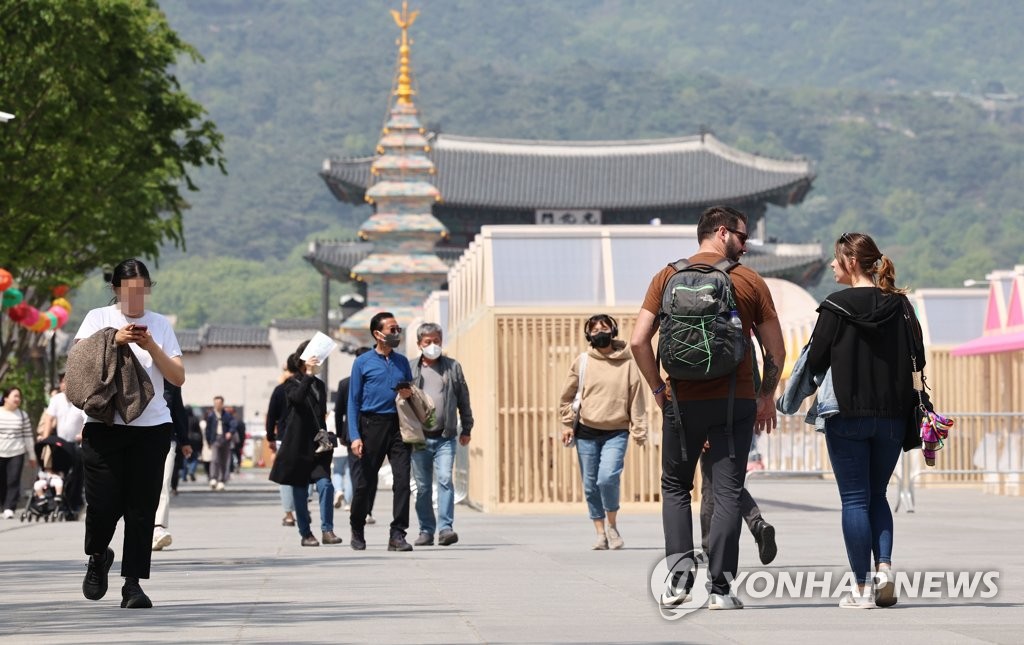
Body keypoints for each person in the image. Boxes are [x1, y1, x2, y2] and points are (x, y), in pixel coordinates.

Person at [630, 206, 786, 610]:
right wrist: (766, 395)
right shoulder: (748, 281)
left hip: (682, 402)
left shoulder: (665, 277)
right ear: (721, 233)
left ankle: (679, 582)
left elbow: (637, 341)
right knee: (729, 490)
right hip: (735, 402)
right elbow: (776, 350)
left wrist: (657, 388)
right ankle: (720, 589)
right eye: (742, 237)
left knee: (676, 488)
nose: (746, 246)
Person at [805, 232, 920, 609]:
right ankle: (884, 568)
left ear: (851, 262)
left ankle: (859, 588)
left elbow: (816, 360)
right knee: (878, 495)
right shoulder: (901, 307)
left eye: (836, 260)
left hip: (848, 415)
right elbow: (919, 356)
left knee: (854, 500)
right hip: (892, 417)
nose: (832, 266)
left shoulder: (836, 306)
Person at [73, 258, 184, 609]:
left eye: (142, 291)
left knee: (141, 509)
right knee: (103, 505)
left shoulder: (160, 325)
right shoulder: (97, 319)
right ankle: (98, 555)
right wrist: (113, 340)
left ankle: (132, 584)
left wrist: (151, 346)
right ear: (116, 290)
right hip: (104, 428)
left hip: (151, 428)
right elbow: (77, 362)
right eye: (128, 292)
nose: (136, 299)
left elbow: (177, 377)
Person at [559, 315, 646, 550]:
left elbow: (637, 398)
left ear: (613, 331)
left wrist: (639, 430)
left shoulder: (627, 362)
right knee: (590, 485)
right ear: (588, 335)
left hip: (616, 431)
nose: (599, 332)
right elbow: (566, 397)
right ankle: (600, 533)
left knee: (607, 478)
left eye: (604, 327)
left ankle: (612, 526)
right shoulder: (582, 361)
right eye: (595, 329)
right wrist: (568, 424)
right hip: (586, 431)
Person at [347, 312, 415, 552]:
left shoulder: (403, 362)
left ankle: (397, 534)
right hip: (370, 425)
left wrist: (409, 394)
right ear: (378, 334)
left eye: (398, 329)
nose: (396, 333)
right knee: (365, 482)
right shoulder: (362, 362)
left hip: (398, 426)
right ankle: (357, 527)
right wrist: (355, 436)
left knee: (403, 481)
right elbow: (353, 401)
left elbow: (411, 394)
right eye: (392, 329)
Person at [269, 341, 341, 547]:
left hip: (318, 447)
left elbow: (320, 414)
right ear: (303, 361)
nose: (318, 363)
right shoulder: (290, 384)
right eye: (314, 359)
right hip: (298, 447)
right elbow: (298, 400)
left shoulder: (320, 385)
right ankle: (306, 533)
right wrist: (308, 375)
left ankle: (328, 530)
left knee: (325, 485)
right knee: (300, 492)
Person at [410, 323, 474, 547]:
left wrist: (467, 428)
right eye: (427, 342)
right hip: (419, 438)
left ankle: (446, 528)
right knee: (424, 486)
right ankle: (426, 530)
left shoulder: (452, 367)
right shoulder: (411, 369)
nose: (432, 346)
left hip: (445, 436)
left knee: (445, 479)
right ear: (419, 344)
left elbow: (463, 398)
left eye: (436, 341)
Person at [699, 441, 777, 566]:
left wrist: (704, 432)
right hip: (740, 430)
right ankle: (757, 524)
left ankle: (709, 548)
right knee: (733, 483)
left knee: (711, 484)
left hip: (714, 429)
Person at [335, 347, 377, 523]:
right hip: (361, 431)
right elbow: (339, 411)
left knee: (357, 472)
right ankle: (365, 509)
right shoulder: (347, 384)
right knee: (369, 472)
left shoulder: (345, 382)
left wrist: (340, 434)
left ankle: (360, 507)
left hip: (353, 432)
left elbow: (338, 412)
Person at [152, 382, 193, 551]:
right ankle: (142, 528)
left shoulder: (171, 379)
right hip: (137, 439)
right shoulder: (136, 369)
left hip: (167, 439)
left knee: (163, 483)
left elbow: (178, 410)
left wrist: (184, 440)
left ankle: (158, 528)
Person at [267, 359, 300, 527]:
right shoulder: (310, 386)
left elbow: (271, 415)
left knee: (286, 477)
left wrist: (270, 437)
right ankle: (302, 507)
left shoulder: (280, 390)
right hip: (304, 438)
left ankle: (289, 514)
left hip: (284, 437)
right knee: (304, 474)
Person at [1, 387, 36, 519]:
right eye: (14, 396)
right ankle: (3, 504)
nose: (17, 399)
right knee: (2, 481)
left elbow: (28, 436)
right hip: (0, 452)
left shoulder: (22, 415)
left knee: (13, 480)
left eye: (19, 397)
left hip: (17, 452)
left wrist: (32, 456)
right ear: (5, 398)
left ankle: (9, 507)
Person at [204, 396, 236, 491]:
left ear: (222, 404)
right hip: (215, 439)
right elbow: (207, 430)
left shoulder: (227, 415)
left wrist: (230, 432)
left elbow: (233, 424)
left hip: (225, 439)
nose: (217, 405)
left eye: (219, 403)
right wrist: (208, 441)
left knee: (224, 461)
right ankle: (213, 478)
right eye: (215, 403)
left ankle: (222, 480)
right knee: (214, 459)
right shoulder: (211, 416)